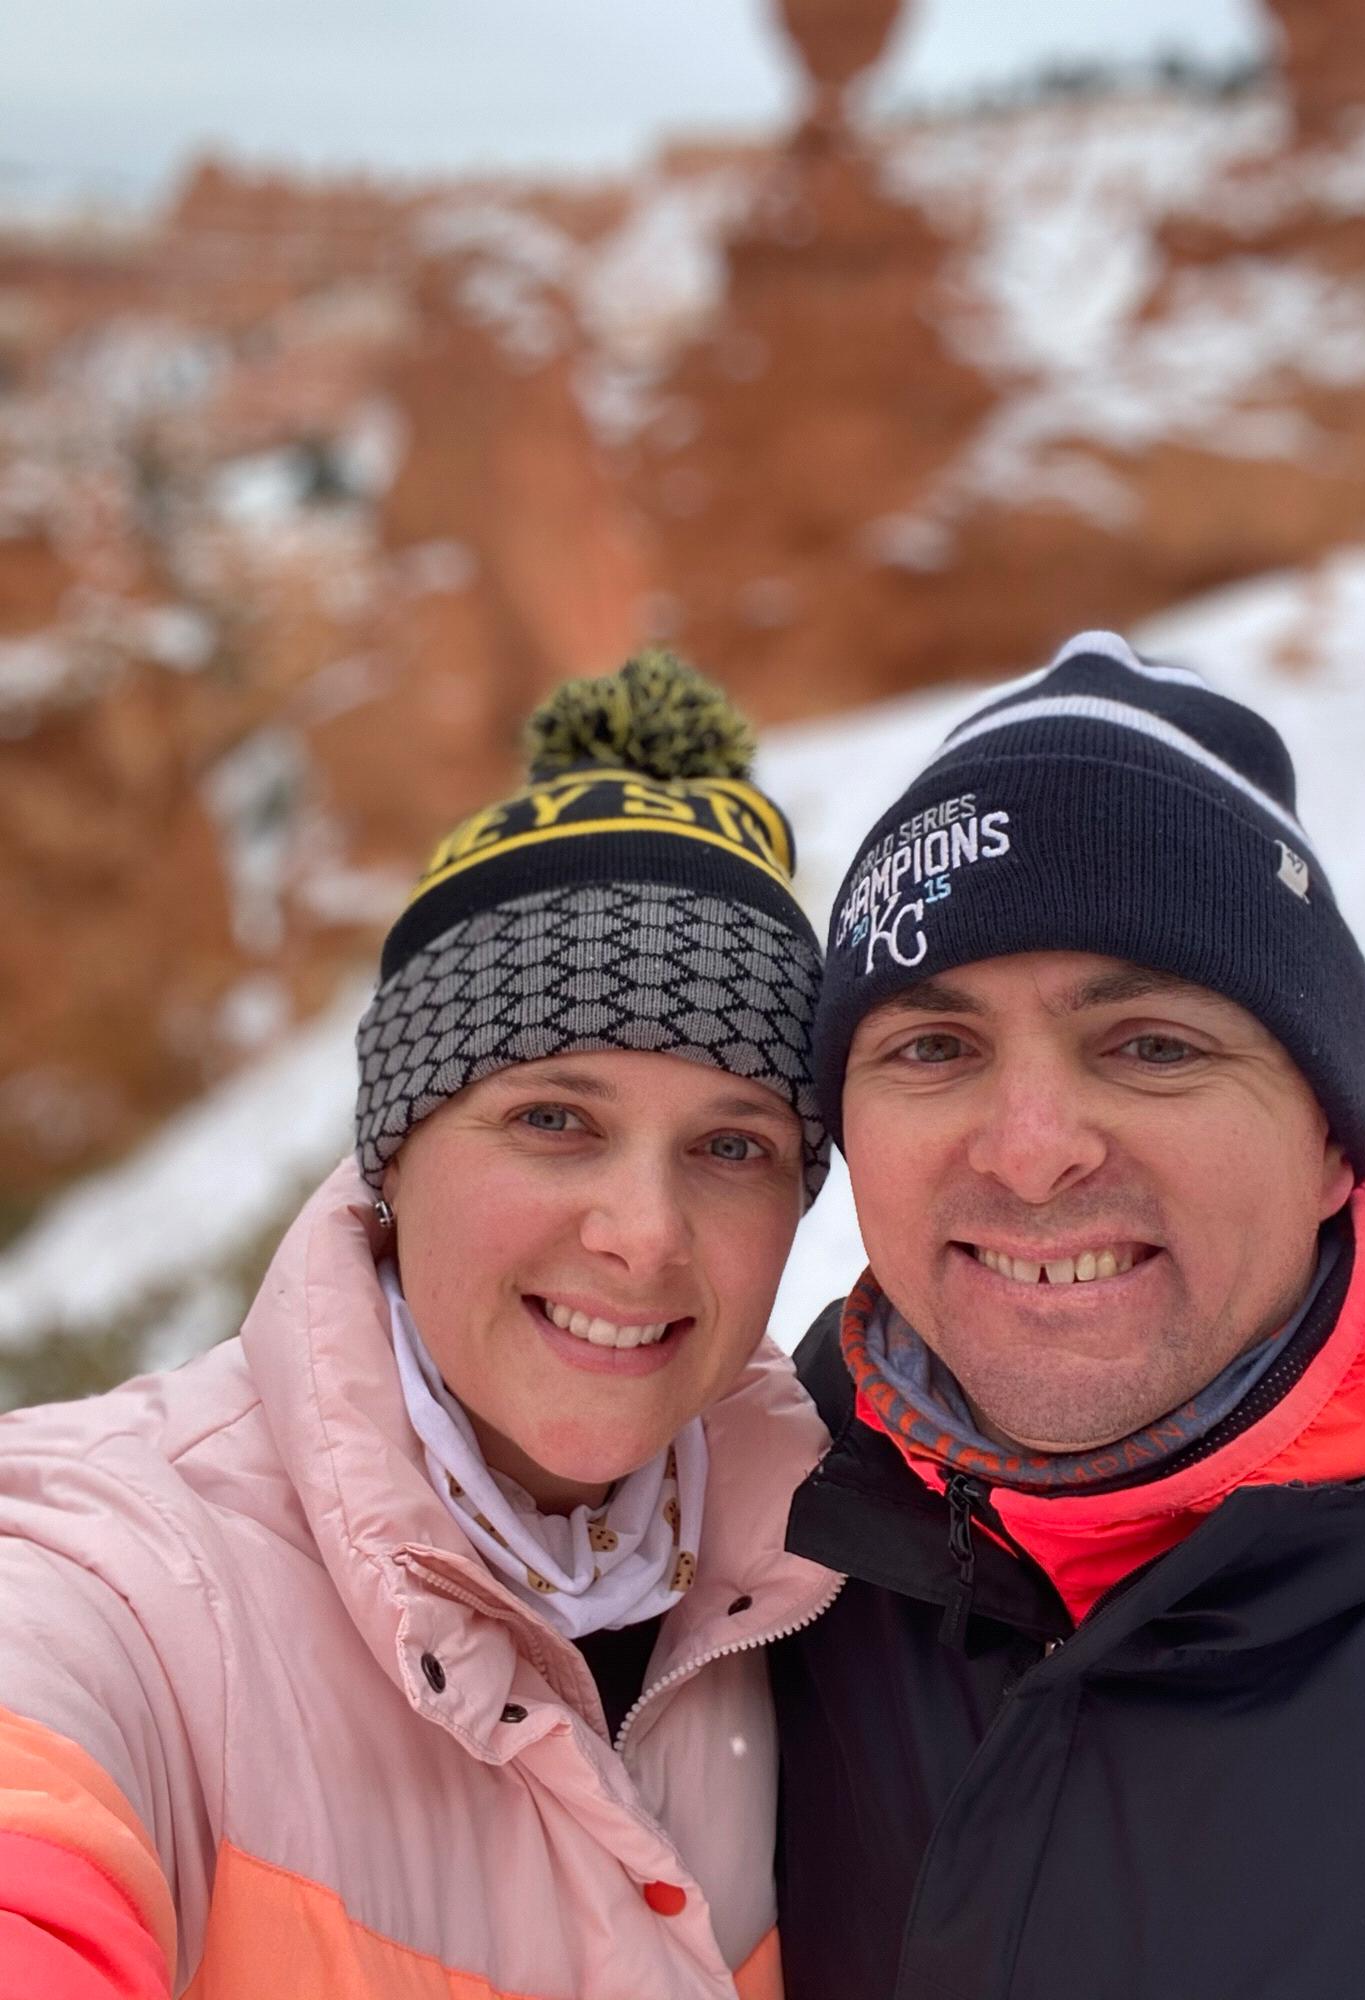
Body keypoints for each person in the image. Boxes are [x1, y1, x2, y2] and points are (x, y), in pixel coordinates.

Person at [0, 651, 841, 2000]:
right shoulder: (126, 1578)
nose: (643, 1233)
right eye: (554, 1121)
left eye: (734, 1147)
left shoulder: (843, 1588)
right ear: (394, 1161)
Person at [771, 629, 1365, 1999]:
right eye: (935, 1048)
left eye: (1152, 1046)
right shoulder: (722, 1568)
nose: (1031, 1150)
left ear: (1336, 1142)